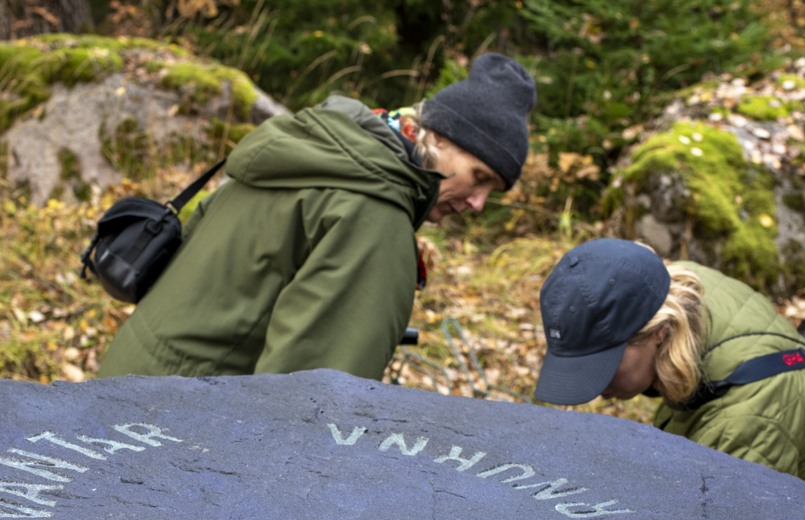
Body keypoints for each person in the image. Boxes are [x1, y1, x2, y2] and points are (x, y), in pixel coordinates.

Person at [96, 53, 536, 381]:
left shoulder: (315, 152)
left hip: (130, 383)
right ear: (436, 137)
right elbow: (311, 401)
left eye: (490, 192)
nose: (477, 204)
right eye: (478, 177)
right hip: (179, 432)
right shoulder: (371, 214)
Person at [533, 238, 805, 520]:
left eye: (604, 365)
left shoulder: (741, 422)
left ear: (660, 334)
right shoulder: (671, 284)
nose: (596, 389)